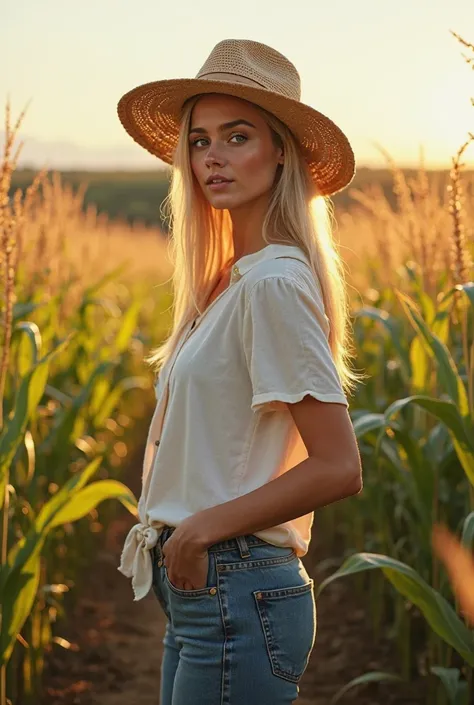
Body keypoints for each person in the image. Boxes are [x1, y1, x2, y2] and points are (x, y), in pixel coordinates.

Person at [116, 38, 363, 705]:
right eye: (199, 141)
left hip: (237, 580)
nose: (212, 157)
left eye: (237, 135)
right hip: (210, 592)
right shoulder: (230, 282)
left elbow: (339, 465)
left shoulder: (273, 283)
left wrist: (197, 528)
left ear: (281, 149)